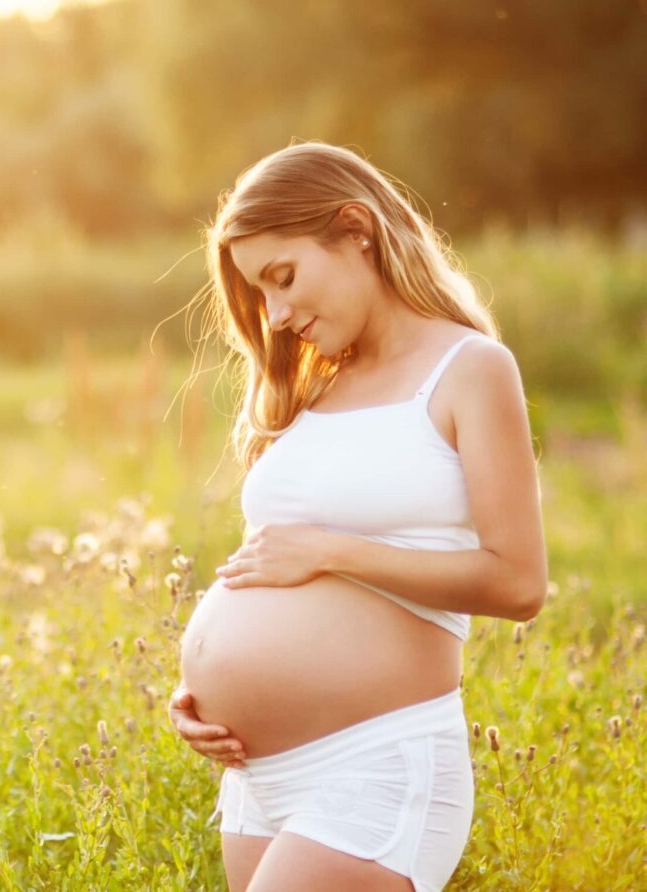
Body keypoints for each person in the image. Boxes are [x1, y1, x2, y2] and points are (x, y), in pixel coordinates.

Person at [168, 142, 548, 891]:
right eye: (260, 295)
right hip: (257, 780)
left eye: (284, 278)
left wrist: (332, 552)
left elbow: (519, 583)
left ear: (356, 230)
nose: (276, 315)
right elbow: (274, 561)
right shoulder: (312, 391)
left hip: (375, 765)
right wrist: (200, 695)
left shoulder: (469, 369)